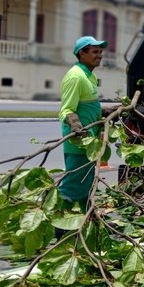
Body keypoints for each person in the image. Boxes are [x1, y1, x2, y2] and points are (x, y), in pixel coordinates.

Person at [58, 35, 107, 210]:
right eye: (95, 51)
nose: (99, 55)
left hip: (90, 142)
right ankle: (57, 226)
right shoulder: (75, 77)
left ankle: (87, 218)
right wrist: (75, 123)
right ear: (82, 53)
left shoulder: (89, 76)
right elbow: (67, 109)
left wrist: (103, 112)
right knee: (73, 186)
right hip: (79, 142)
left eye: (100, 52)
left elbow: (87, 105)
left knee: (85, 183)